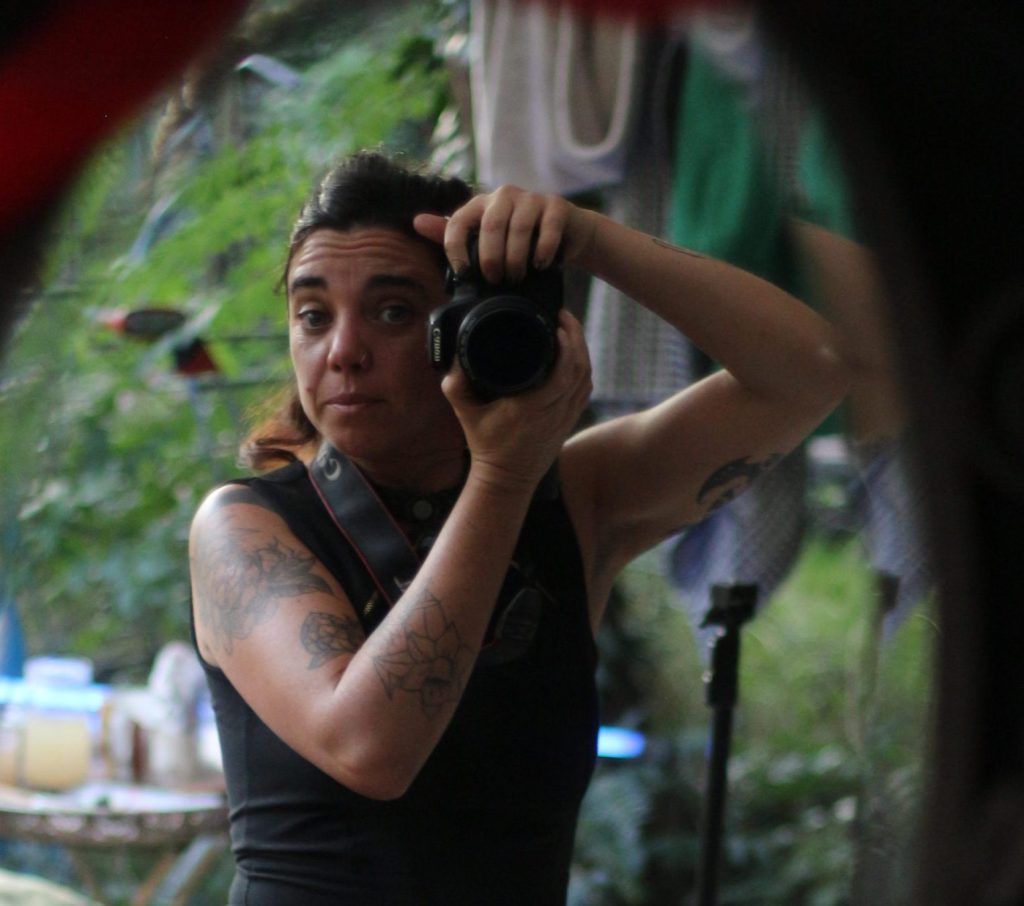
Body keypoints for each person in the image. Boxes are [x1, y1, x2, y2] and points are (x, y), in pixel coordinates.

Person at [188, 150, 850, 905]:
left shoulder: (576, 499)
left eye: (394, 311)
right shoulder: (245, 528)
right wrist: (502, 478)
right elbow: (370, 749)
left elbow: (814, 369)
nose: (342, 352)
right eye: (313, 316)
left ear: (463, 327)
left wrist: (590, 239)